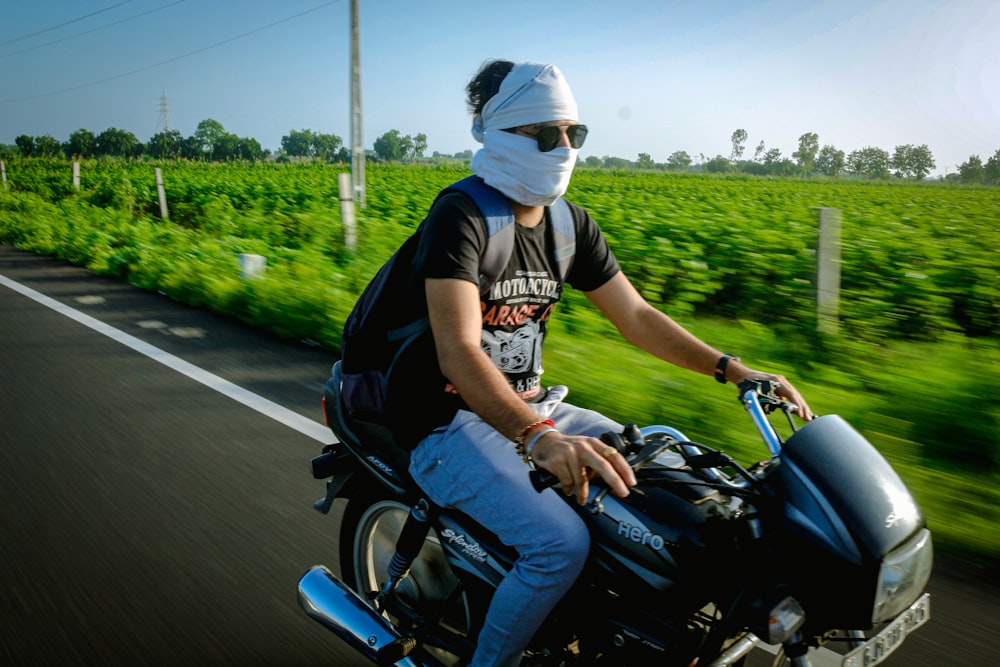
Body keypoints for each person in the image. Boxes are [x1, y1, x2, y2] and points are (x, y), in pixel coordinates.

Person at [391, 59, 815, 667]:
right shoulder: (463, 216)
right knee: (556, 546)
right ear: (500, 131)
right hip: (444, 423)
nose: (564, 147)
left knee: (688, 484)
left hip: (530, 409)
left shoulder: (568, 225)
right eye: (546, 134)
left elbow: (637, 318)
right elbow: (457, 349)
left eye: (574, 133)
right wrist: (538, 437)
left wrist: (732, 368)